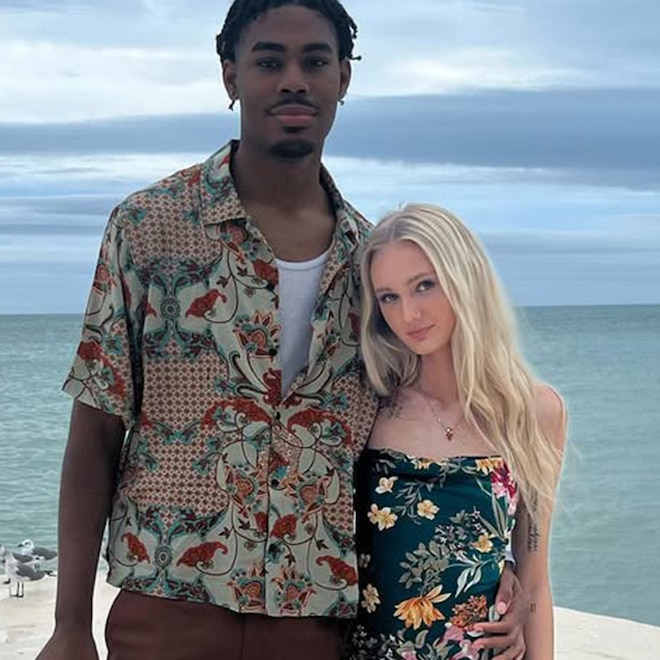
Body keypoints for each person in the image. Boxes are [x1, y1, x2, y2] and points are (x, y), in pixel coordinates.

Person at [36, 3, 525, 660]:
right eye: (269, 61)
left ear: (343, 79)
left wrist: (503, 575)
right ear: (231, 75)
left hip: (315, 625)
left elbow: (429, 428)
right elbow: (96, 429)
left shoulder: (372, 263)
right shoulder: (149, 228)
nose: (293, 80)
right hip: (167, 608)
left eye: (314, 61)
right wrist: (69, 625)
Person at [347, 203, 566, 659]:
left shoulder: (535, 412)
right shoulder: (368, 406)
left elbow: (534, 583)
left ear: (465, 278)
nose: (409, 314)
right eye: (388, 297)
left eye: (424, 285)